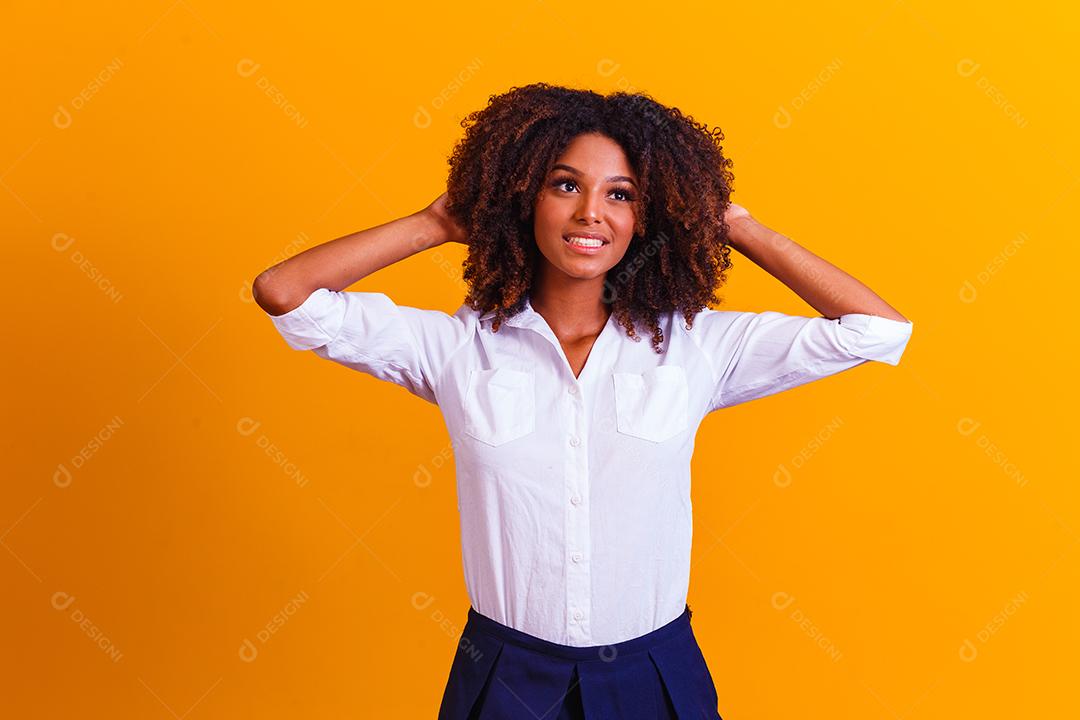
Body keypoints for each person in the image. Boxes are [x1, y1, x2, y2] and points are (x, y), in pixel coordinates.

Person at [253, 82, 913, 719]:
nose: (590, 212)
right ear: (523, 198)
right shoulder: (457, 348)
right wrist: (435, 222)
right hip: (507, 676)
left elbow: (876, 331)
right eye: (565, 184)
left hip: (654, 672)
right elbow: (286, 292)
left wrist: (734, 224)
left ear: (647, 217)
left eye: (620, 194)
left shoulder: (696, 349)